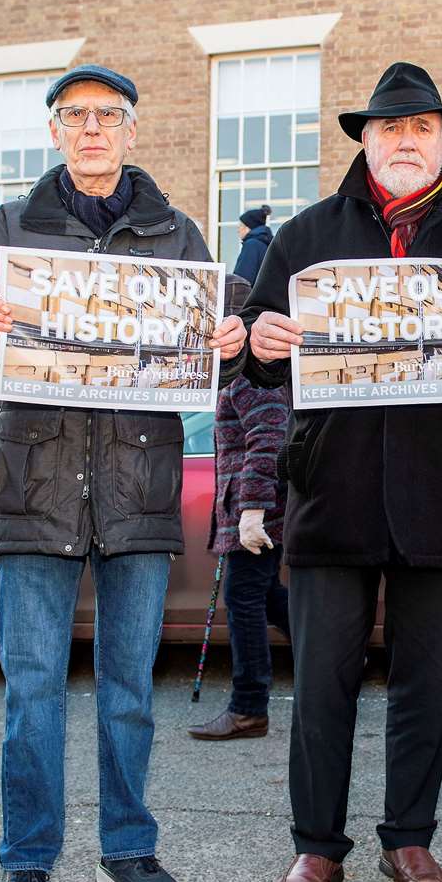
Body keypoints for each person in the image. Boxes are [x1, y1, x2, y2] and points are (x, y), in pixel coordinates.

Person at [242, 62, 442, 882]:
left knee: (426, 684)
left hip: (439, 498)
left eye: (420, 128)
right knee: (321, 685)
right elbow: (255, 365)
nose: (405, 142)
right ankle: (315, 850)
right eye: (388, 129)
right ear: (365, 142)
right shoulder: (302, 238)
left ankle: (408, 838)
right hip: (331, 497)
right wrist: (260, 345)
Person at [0, 63, 248, 882]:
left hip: (139, 486)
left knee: (127, 687)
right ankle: (26, 862)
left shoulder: (176, 234)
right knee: (31, 688)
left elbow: (220, 338)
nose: (91, 130)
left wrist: (227, 334)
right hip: (35, 482)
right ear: (52, 130)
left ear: (129, 130)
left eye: (107, 115)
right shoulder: (5, 228)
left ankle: (128, 851)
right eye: (74, 115)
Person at [188, 274, 292, 742]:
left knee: (244, 600)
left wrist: (252, 511)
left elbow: (268, 438)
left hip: (257, 513)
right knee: (268, 597)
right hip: (252, 509)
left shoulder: (252, 373)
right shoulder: (240, 371)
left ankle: (249, 708)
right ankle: (338, 660)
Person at [233, 204, 274, 284]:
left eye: (240, 226)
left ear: (248, 227)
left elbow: (242, 280)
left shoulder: (251, 245)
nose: (238, 230)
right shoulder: (266, 244)